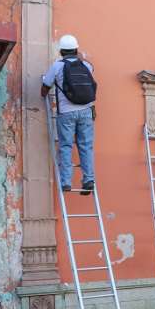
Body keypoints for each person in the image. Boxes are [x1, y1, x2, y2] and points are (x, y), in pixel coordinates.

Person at [41, 34, 98, 195]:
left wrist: (45, 90)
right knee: (86, 146)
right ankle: (88, 179)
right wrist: (79, 57)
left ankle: (66, 182)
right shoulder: (85, 66)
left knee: (66, 146)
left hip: (66, 113)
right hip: (86, 111)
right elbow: (91, 67)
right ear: (76, 49)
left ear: (61, 51)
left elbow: (44, 88)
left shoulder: (57, 66)